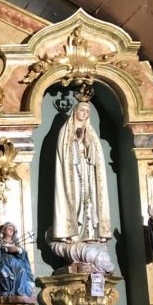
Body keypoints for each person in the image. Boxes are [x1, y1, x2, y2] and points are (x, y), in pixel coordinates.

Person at [50, 95, 112, 244]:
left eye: (87, 111)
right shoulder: (65, 130)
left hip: (88, 169)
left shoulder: (90, 131)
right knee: (76, 198)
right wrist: (77, 142)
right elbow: (63, 153)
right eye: (82, 110)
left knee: (90, 198)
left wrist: (88, 143)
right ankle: (72, 232)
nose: (84, 113)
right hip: (73, 171)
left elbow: (97, 155)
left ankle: (90, 233)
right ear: (75, 111)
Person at [0, 223, 36, 301]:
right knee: (3, 271)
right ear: (4, 230)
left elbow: (23, 253)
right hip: (3, 261)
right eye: (9, 229)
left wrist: (18, 250)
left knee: (22, 270)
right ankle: (5, 291)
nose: (11, 231)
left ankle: (20, 291)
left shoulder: (16, 242)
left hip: (16, 262)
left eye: (13, 230)